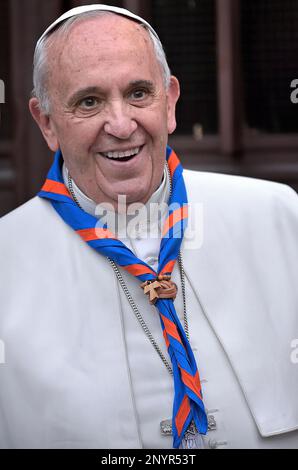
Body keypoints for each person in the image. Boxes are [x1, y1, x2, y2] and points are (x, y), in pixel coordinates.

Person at [0, 4, 298, 450]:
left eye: (139, 93)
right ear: (47, 122)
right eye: (89, 101)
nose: (121, 125)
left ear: (170, 101)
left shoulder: (280, 219)